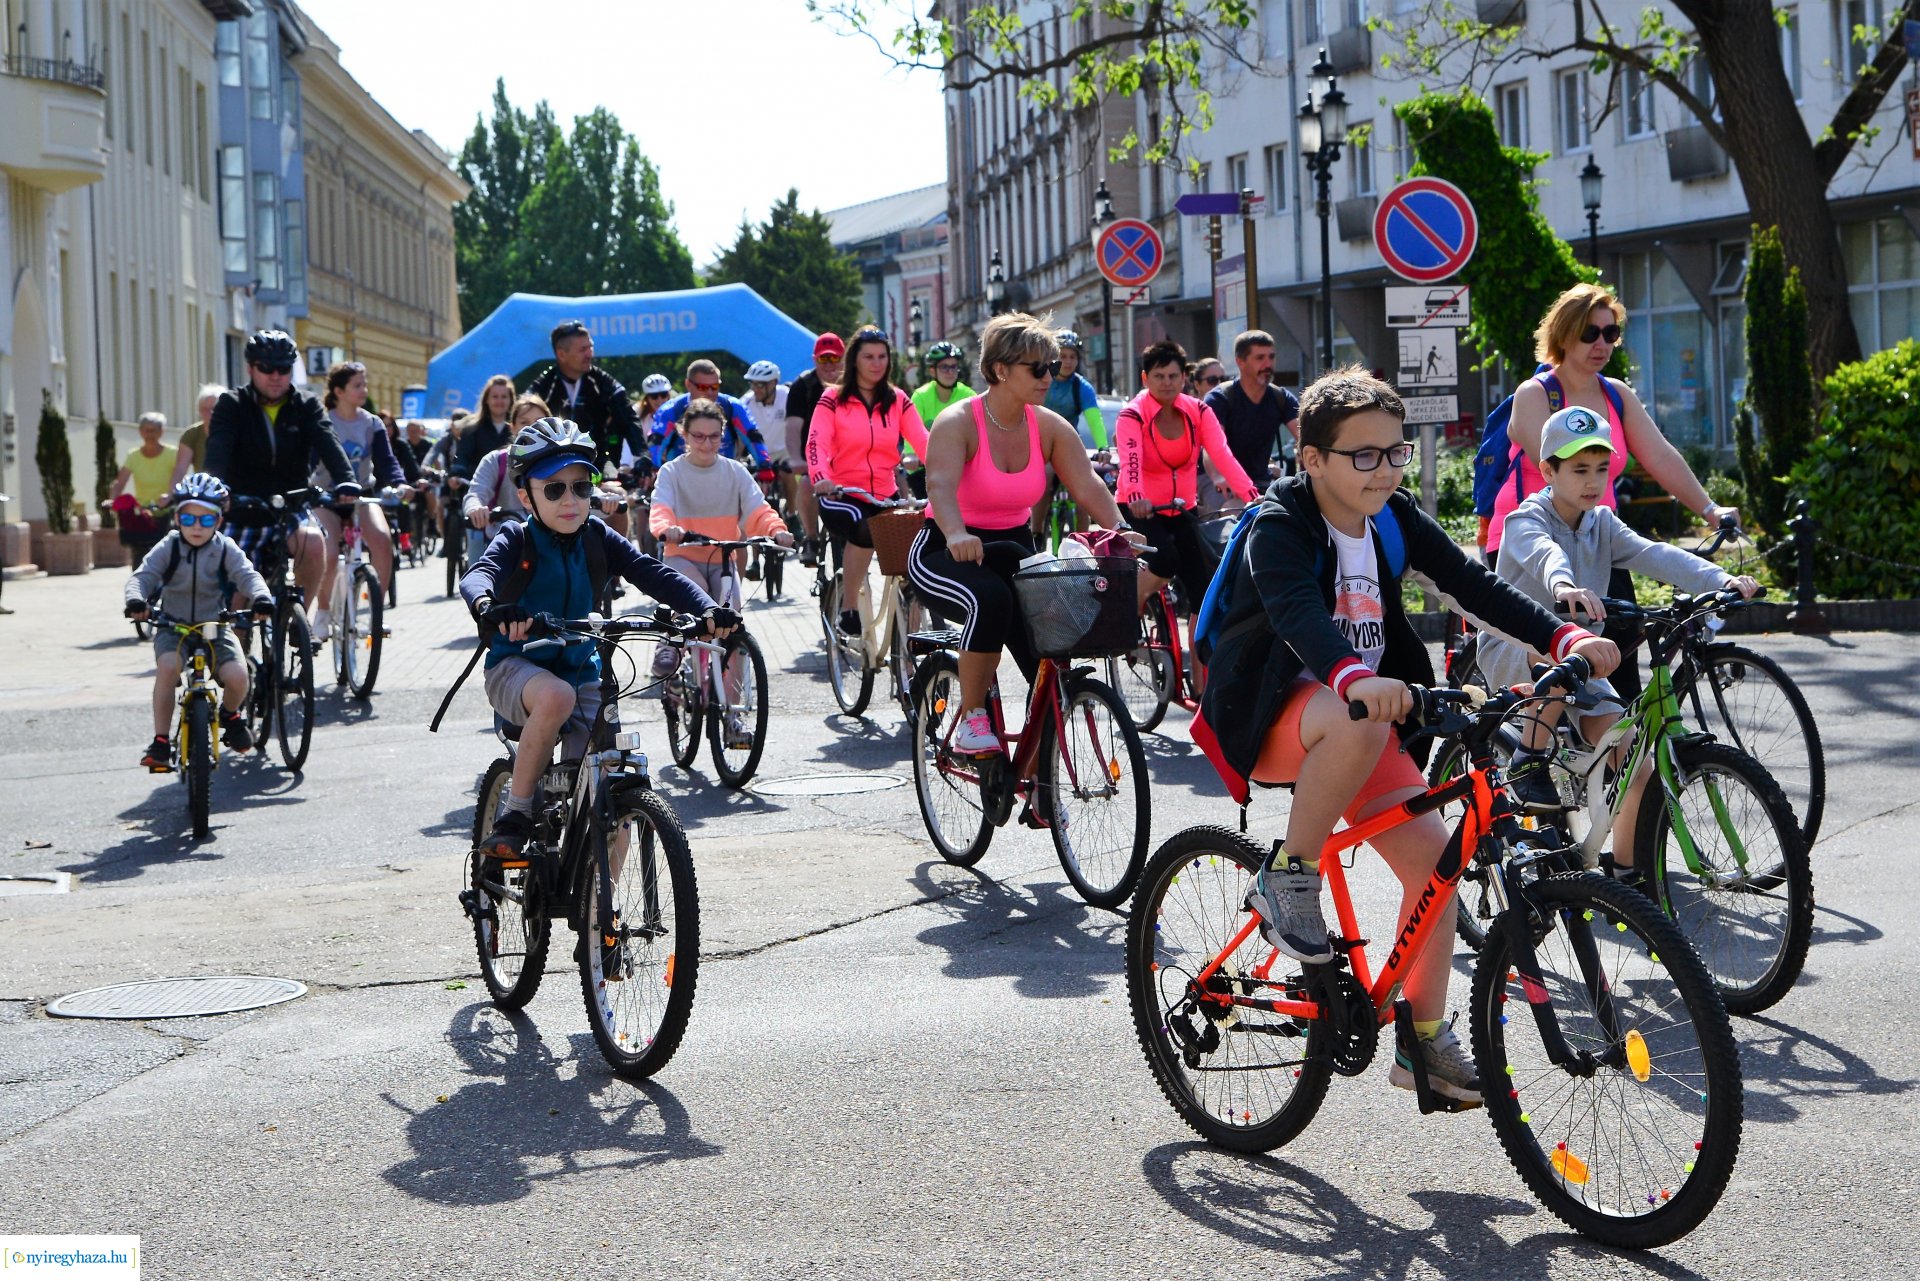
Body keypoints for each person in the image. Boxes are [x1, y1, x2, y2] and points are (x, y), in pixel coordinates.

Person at [1199, 366, 1620, 1107]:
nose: (1385, 469)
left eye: (1396, 451)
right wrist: (1350, 676)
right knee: (1358, 720)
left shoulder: (1392, 516)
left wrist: (1563, 635)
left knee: (1436, 865)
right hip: (1272, 713)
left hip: (1359, 722)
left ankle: (1422, 1042)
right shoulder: (1280, 523)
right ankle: (1289, 873)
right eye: (1363, 454)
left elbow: (1472, 582)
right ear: (1312, 458)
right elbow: (1296, 612)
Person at [1478, 406, 1759, 854]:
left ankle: (1628, 873)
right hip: (1516, 648)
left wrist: (1720, 580)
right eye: (1579, 469)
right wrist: (1564, 587)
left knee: (1636, 766)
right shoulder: (1524, 520)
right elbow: (1545, 555)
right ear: (1547, 471)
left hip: (1584, 659)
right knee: (1562, 653)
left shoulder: (1602, 523)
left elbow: (1655, 553)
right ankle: (1527, 761)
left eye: (1601, 469)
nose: (1593, 481)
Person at [461, 419, 733, 859]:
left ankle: (593, 899)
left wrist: (706, 609)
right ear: (526, 496)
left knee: (612, 804)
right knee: (557, 697)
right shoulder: (517, 537)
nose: (571, 500)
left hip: (581, 670)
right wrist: (489, 606)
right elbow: (479, 575)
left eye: (581, 487)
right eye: (554, 489)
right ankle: (516, 813)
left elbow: (652, 573)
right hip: (515, 667)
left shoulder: (597, 536)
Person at [1494, 284, 1738, 699]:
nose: (1602, 344)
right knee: (1551, 676)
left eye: (1610, 333)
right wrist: (1562, 583)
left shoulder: (1616, 394)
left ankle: (1616, 734)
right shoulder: (1536, 394)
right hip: (1534, 542)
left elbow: (1660, 456)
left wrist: (1710, 510)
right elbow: (1557, 477)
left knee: (1619, 661)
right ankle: (1534, 740)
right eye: (1590, 333)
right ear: (1564, 335)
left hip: (1596, 537)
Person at [909, 314, 1137, 754]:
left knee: (1050, 655)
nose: (1049, 376)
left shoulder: (1048, 425)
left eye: (1051, 366)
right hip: (946, 551)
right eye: (1037, 368)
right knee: (990, 600)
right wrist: (956, 533)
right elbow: (939, 485)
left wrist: (1121, 529)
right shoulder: (958, 421)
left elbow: (1088, 484)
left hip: (1015, 550)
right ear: (1000, 370)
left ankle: (1036, 779)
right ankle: (973, 718)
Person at [648, 398, 795, 740]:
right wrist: (666, 528)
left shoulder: (734, 471)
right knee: (695, 600)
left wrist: (776, 530)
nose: (706, 444)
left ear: (723, 436)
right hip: (683, 555)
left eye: (714, 437)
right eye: (698, 436)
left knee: (732, 626)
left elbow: (757, 509)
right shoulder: (672, 472)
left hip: (723, 557)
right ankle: (671, 648)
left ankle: (733, 716)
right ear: (684, 435)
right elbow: (661, 508)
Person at [124, 473, 274, 766]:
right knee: (168, 667)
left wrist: (261, 598)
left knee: (238, 676)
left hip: (214, 627)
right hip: (173, 625)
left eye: (206, 520)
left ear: (218, 521)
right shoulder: (169, 546)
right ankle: (161, 741)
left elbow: (248, 575)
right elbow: (143, 576)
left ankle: (230, 715)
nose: (196, 527)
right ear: (176, 519)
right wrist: (136, 600)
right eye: (188, 519)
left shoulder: (224, 547)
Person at [204, 330, 358, 610]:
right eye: (266, 368)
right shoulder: (232, 404)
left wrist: (346, 480)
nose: (275, 376)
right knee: (236, 598)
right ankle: (239, 636)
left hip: (291, 507)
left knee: (314, 544)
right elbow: (218, 449)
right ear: (251, 369)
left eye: (283, 369)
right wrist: (216, 485)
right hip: (244, 509)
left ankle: (297, 619)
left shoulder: (306, 404)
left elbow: (328, 441)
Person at [1115, 340, 1261, 610]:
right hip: (1140, 509)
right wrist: (1136, 496)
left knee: (1205, 589)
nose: (1166, 383)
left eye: (1173, 376)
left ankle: (1196, 639)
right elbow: (1130, 461)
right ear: (1145, 378)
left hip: (1182, 507)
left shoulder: (1199, 411)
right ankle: (1128, 608)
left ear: (1184, 377)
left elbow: (1222, 455)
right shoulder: (1132, 414)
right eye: (1158, 376)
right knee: (1165, 560)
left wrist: (1252, 495)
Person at [807, 326, 929, 636]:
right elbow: (817, 442)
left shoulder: (897, 399)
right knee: (863, 527)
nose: (876, 363)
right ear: (854, 360)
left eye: (882, 357)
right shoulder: (833, 398)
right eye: (868, 357)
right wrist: (821, 478)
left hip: (885, 493)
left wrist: (950, 471)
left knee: (915, 541)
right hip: (842, 493)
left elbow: (923, 441)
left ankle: (913, 640)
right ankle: (848, 608)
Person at [310, 361, 406, 635]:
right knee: (328, 552)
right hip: (327, 497)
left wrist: (400, 483)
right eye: (357, 385)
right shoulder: (323, 421)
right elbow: (310, 460)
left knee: (383, 540)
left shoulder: (372, 423)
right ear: (339, 391)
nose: (364, 390)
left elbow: (386, 461)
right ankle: (323, 611)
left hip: (361, 494)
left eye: (364, 384)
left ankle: (375, 612)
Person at [524, 320, 648, 476]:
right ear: (561, 354)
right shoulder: (544, 386)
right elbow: (523, 422)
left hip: (598, 465)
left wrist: (642, 456)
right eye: (583, 349)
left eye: (591, 347)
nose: (590, 354)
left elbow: (629, 419)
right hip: (554, 467)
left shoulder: (601, 381)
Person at [1204, 329, 1301, 492]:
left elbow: (1305, 433)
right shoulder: (1220, 398)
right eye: (1260, 358)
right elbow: (1212, 446)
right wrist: (1219, 477)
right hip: (1219, 481)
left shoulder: (1280, 397)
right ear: (1240, 362)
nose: (1268, 364)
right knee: (1231, 508)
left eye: (1271, 357)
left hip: (1260, 482)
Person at [646, 360, 771, 469]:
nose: (710, 392)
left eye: (715, 386)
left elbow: (753, 435)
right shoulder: (671, 410)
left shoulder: (732, 406)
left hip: (724, 476)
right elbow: (656, 442)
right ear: (688, 384)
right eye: (703, 387)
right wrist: (653, 467)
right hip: (682, 478)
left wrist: (765, 464)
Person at [786, 333, 844, 563]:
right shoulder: (802, 386)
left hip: (848, 456)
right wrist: (794, 458)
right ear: (814, 359)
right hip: (814, 458)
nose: (829, 365)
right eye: (823, 359)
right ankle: (811, 538)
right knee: (807, 484)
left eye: (834, 359)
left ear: (843, 359)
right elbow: (793, 427)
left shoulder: (855, 384)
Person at [462, 394, 549, 545]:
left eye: (539, 422)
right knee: (476, 552)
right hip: (504, 540)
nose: (532, 428)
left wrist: (595, 498)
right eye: (524, 422)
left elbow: (583, 488)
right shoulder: (496, 460)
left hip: (550, 539)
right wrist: (475, 508)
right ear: (512, 427)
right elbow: (476, 492)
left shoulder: (563, 460)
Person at [907, 342, 975, 500]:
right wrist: (910, 454)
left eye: (953, 367)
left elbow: (977, 430)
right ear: (933, 371)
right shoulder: (920, 396)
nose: (950, 372)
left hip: (959, 466)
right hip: (926, 468)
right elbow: (911, 429)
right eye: (944, 367)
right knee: (927, 507)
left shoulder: (968, 395)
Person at [110, 412, 179, 559]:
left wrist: (170, 496)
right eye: (146, 430)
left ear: (161, 432)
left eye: (154, 430)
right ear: (140, 431)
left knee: (166, 554)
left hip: (165, 512)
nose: (150, 434)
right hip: (142, 515)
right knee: (138, 555)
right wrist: (112, 499)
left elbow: (178, 479)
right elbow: (120, 482)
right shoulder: (133, 456)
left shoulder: (172, 454)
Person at [172, 385, 226, 484]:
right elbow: (180, 468)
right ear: (199, 411)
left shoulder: (239, 431)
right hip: (204, 486)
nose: (210, 413)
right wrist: (174, 491)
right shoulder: (191, 434)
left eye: (214, 408)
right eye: (205, 409)